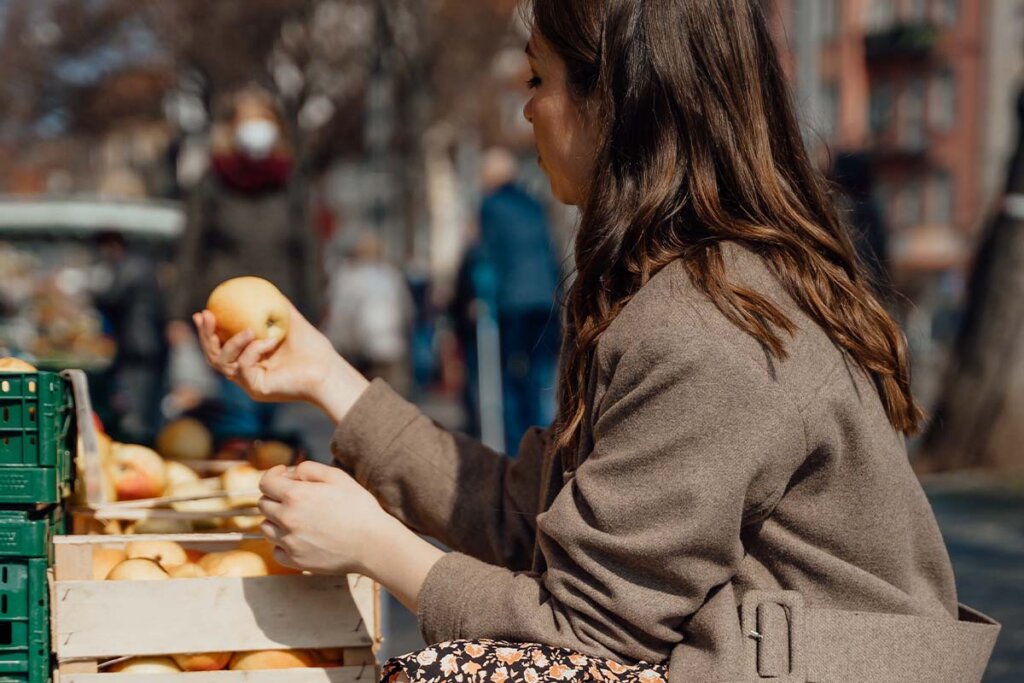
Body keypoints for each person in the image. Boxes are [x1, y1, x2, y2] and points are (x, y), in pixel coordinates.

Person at [194, 2, 1000, 681]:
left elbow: (582, 634)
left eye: (539, 77)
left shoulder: (709, 323)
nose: (527, 106)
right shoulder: (682, 286)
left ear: (616, 100)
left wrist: (376, 546)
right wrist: (326, 376)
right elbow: (531, 520)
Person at [168, 87, 322, 439]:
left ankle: (260, 470)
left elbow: (307, 251)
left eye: (262, 120)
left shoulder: (291, 183)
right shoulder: (212, 182)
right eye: (247, 121)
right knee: (238, 410)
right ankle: (240, 474)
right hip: (226, 315)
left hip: (280, 313)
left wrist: (314, 310)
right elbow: (189, 250)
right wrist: (177, 314)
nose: (255, 129)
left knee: (272, 408)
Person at [473, 148, 562, 455]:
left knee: (510, 376)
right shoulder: (534, 204)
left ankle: (518, 449)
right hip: (545, 298)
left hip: (513, 301)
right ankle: (546, 441)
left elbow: (487, 255)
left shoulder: (491, 205)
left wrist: (482, 296)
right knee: (541, 374)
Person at [91, 231, 168, 443]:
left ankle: (138, 441)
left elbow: (110, 296)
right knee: (142, 397)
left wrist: (93, 292)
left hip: (139, 345)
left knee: (137, 402)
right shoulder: (141, 265)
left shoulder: (132, 267)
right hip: (144, 342)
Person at [324, 231, 414, 396]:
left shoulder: (349, 277)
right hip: (389, 344)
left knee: (363, 398)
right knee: (391, 399)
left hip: (361, 346)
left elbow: (341, 314)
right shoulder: (391, 275)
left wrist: (336, 342)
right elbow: (406, 308)